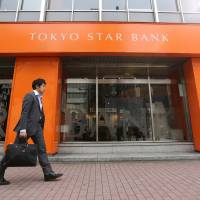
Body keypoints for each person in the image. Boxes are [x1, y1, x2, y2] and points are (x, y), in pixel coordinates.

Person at [0, 78, 63, 185]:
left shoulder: (39, 98)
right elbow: (24, 113)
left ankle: (48, 173)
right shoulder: (29, 96)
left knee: (42, 149)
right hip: (27, 128)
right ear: (37, 87)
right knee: (14, 151)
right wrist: (23, 129)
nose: (44, 88)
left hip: (37, 128)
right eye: (43, 86)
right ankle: (0, 173)